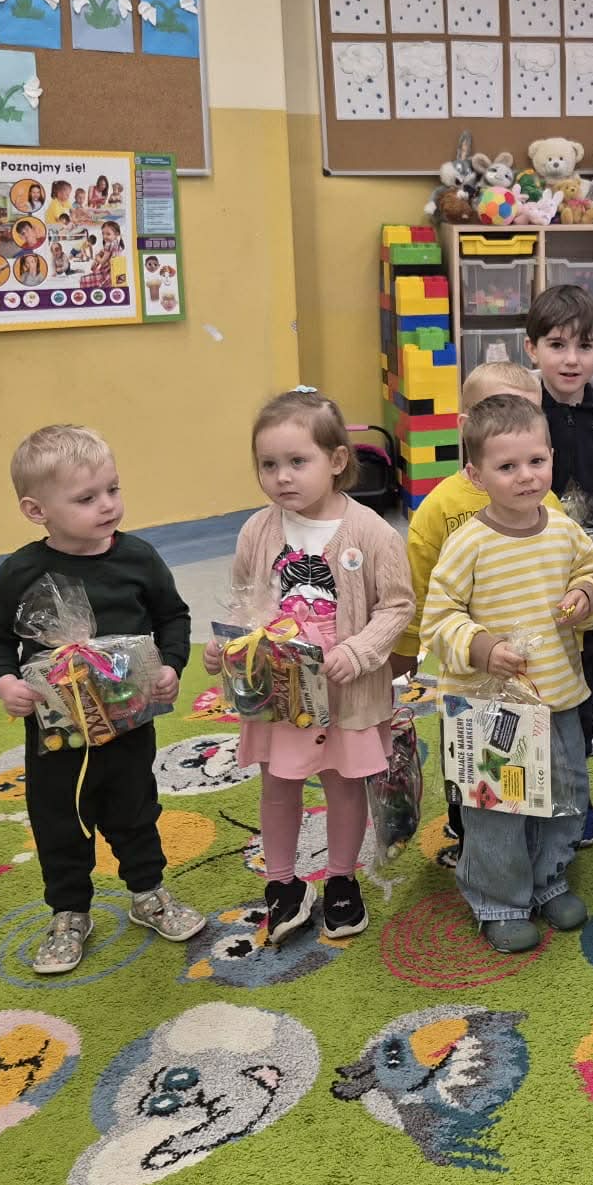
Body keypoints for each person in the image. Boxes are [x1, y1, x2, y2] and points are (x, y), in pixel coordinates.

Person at [0, 425, 204, 973]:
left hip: (129, 725)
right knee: (58, 820)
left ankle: (148, 893)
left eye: (113, 489)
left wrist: (171, 665)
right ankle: (69, 912)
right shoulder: (20, 573)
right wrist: (4, 683)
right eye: (86, 498)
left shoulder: (138, 558)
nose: (108, 505)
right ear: (36, 510)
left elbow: (173, 617)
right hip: (57, 736)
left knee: (136, 810)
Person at [201, 388, 413, 944]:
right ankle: (282, 883)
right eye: (268, 465)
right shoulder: (257, 531)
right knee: (277, 785)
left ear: (337, 460)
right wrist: (226, 649)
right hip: (279, 697)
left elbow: (398, 606)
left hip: (347, 695)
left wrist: (358, 652)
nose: (282, 477)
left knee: (343, 786)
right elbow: (243, 602)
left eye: (298, 461)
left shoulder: (372, 532)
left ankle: (341, 878)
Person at [420, 394, 593, 952]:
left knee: (564, 794)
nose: (526, 476)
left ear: (551, 457)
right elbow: (438, 618)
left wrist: (584, 596)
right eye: (507, 466)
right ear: (477, 476)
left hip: (558, 696)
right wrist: (480, 647)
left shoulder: (565, 530)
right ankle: (499, 899)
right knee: (496, 808)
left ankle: (548, 880)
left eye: (536, 461)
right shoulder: (468, 543)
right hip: (489, 707)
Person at [390, 361, 560, 868]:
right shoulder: (442, 506)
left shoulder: (544, 498)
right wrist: (406, 650)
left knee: (529, 757)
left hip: (533, 666)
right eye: (497, 410)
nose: (512, 423)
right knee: (471, 756)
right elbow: (420, 582)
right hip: (467, 667)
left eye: (526, 412)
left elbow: (565, 564)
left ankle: (533, 841)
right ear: (467, 427)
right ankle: (469, 831)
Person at [527, 283, 593, 846]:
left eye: (585, 346)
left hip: (584, 569)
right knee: (524, 674)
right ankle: (523, 788)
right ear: (531, 348)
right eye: (557, 345)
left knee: (583, 677)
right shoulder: (520, 414)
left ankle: (574, 790)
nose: (571, 359)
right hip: (521, 564)